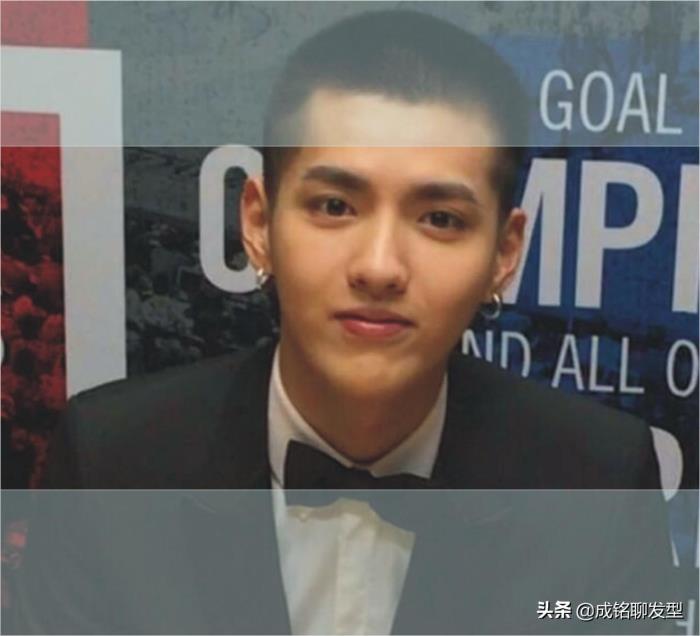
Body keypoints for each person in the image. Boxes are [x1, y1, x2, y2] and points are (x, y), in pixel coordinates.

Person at [10, 9, 674, 636]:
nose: (380, 267)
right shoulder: (111, 462)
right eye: (334, 206)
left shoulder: (602, 486)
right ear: (259, 224)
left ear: (504, 254)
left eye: (440, 219)